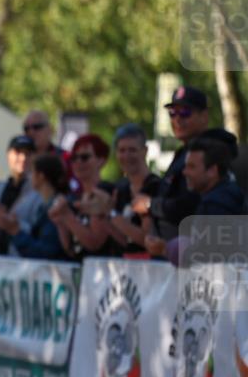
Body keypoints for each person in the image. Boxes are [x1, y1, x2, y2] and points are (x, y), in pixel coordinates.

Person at [131, 86, 212, 235]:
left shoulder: (210, 151)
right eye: (172, 113)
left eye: (185, 112)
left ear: (204, 116)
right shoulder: (183, 152)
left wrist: (150, 204)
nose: (178, 119)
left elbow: (191, 204)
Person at [47, 134, 118, 259]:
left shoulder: (103, 192)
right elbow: (71, 249)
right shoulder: (76, 197)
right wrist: (61, 223)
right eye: (74, 158)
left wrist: (68, 217)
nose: (78, 162)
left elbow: (95, 243)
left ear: (101, 160)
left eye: (85, 157)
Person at [0, 154, 72, 260]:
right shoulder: (45, 206)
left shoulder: (57, 207)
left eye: (32, 172)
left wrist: (15, 231)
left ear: (41, 176)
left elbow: (45, 252)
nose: (29, 177)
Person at [105, 124, 165, 259]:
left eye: (132, 150)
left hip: (152, 269)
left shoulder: (156, 186)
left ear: (145, 151)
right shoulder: (120, 188)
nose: (126, 156)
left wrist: (112, 215)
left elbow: (147, 239)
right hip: (125, 268)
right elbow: (122, 239)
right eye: (122, 150)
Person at [0, 135, 43, 255]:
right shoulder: (0, 188)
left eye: (28, 154)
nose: (23, 158)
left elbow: (39, 235)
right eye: (18, 152)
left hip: (21, 262)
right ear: (8, 155)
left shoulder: (39, 192)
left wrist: (12, 225)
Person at [184, 137, 246, 215]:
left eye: (191, 166)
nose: (184, 172)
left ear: (212, 170)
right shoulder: (229, 195)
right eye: (186, 166)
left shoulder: (215, 207)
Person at [22, 109, 71, 179]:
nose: (31, 132)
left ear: (50, 129)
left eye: (37, 127)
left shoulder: (64, 157)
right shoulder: (20, 159)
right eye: (26, 129)